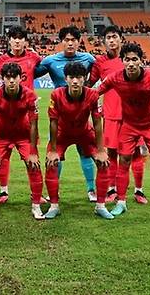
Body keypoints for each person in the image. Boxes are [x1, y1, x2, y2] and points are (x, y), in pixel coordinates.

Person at [96, 43, 150, 221]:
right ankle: (121, 203)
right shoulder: (115, 78)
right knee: (123, 160)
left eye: (135, 59)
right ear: (122, 61)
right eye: (127, 59)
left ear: (141, 61)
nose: (131, 63)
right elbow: (96, 92)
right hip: (129, 125)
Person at [35, 25, 98, 202]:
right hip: (61, 115)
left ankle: (91, 189)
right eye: (66, 40)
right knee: (55, 155)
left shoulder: (88, 58)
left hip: (82, 116)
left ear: (79, 42)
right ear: (61, 42)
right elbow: (29, 74)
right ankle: (54, 191)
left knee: (85, 152)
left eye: (73, 40)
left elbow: (99, 73)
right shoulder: (50, 61)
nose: (70, 43)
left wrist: (91, 89)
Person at [0, 25, 42, 204]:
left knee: (32, 157)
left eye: (20, 38)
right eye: (13, 38)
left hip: (26, 116)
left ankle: (37, 196)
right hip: (4, 115)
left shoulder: (34, 57)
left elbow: (46, 66)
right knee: (1, 157)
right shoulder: (1, 61)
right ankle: (3, 191)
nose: (17, 41)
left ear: (25, 41)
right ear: (9, 41)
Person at [44, 62, 112, 220]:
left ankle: (100, 206)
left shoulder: (93, 95)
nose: (75, 81)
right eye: (71, 77)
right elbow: (53, 122)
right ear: (65, 79)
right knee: (51, 163)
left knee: (103, 163)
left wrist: (101, 150)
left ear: (84, 79)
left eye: (79, 77)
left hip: (84, 133)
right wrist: (53, 150)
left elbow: (97, 123)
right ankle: (54, 205)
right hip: (62, 134)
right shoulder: (56, 95)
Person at [88, 25, 148, 205]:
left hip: (134, 115)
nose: (112, 40)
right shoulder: (100, 62)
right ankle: (112, 189)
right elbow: (91, 84)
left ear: (121, 38)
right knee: (112, 153)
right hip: (112, 115)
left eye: (115, 36)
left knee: (137, 153)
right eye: (108, 38)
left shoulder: (130, 58)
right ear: (104, 42)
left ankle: (139, 190)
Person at [0, 63, 45, 220]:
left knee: (34, 165)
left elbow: (33, 124)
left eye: (14, 77)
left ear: (21, 78)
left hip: (23, 135)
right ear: (2, 79)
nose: (11, 81)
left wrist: (32, 152)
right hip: (1, 135)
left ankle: (36, 205)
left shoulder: (30, 95)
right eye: (7, 77)